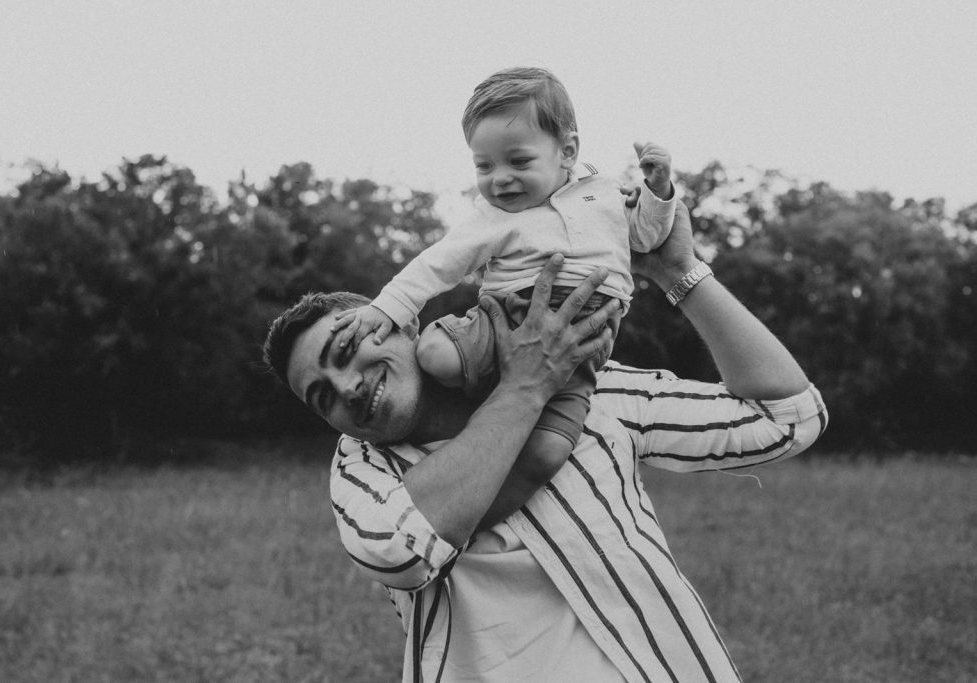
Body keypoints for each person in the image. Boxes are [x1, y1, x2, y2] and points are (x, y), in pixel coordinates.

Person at [263, 200, 828, 682]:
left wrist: (679, 271)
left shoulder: (588, 387)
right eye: (322, 398)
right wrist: (528, 386)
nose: (347, 388)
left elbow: (786, 417)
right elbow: (400, 551)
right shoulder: (362, 470)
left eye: (345, 353)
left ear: (403, 321)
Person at [329, 66, 678, 483]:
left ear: (567, 151)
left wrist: (659, 195)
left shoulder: (604, 192)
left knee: (549, 451)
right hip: (507, 319)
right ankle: (477, 417)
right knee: (434, 354)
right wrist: (388, 308)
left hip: (585, 338)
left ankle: (510, 419)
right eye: (484, 167)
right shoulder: (493, 216)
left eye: (519, 161)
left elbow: (645, 239)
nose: (501, 179)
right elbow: (442, 261)